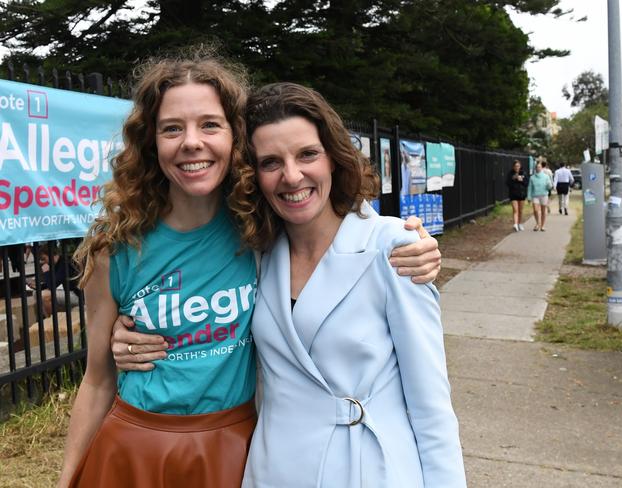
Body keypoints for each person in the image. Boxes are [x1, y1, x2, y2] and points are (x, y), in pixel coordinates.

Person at [58, 55, 442, 488]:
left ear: (235, 139)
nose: (191, 142)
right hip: (135, 448)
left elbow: (328, 219)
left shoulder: (258, 229)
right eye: (171, 128)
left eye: (209, 125)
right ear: (150, 141)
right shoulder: (116, 247)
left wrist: (411, 243)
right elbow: (95, 381)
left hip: (235, 448)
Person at [27, 244, 80, 317]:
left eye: (43, 259)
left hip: (76, 295)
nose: (42, 262)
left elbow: (52, 286)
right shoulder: (56, 264)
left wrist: (46, 272)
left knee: (45, 295)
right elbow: (54, 282)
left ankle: (51, 321)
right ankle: (45, 318)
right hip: (68, 292)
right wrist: (38, 286)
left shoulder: (64, 263)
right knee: (35, 293)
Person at [528, 162, 553, 231]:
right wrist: (529, 197)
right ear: (535, 168)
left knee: (543, 211)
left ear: (542, 168)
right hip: (535, 195)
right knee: (535, 210)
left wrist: (549, 185)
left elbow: (550, 186)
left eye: (539, 167)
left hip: (544, 195)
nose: (538, 168)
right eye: (537, 167)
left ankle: (542, 225)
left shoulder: (546, 176)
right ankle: (537, 223)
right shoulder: (532, 177)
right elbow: (530, 188)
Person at [506, 160, 528, 231]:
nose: (517, 167)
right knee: (515, 210)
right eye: (515, 166)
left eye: (518, 166)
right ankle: (515, 224)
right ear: (513, 167)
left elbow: (526, 183)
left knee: (520, 210)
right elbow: (507, 183)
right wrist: (513, 178)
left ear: (520, 166)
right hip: (513, 194)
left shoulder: (523, 173)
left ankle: (519, 223)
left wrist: (522, 180)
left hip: (522, 194)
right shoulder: (510, 174)